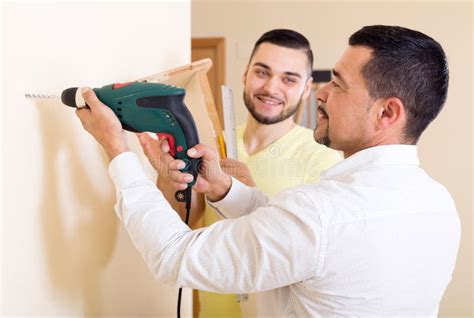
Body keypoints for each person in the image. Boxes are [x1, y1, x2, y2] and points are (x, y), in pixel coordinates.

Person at [76, 25, 461, 316]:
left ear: (387, 112)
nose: (322, 94)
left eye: (339, 85)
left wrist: (117, 151)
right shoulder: (439, 204)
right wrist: (228, 190)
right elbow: (297, 241)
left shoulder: (322, 213)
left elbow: (174, 258)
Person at [137, 29, 341, 317]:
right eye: (262, 72)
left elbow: (316, 261)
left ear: (307, 88)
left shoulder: (324, 160)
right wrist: (168, 172)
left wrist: (244, 196)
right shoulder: (210, 145)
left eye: (289, 79)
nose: (271, 88)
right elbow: (181, 220)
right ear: (245, 74)